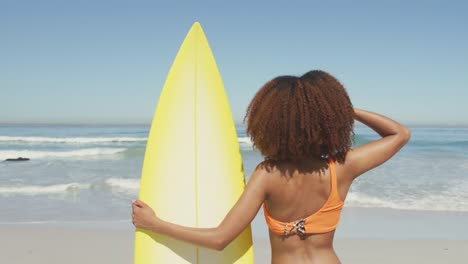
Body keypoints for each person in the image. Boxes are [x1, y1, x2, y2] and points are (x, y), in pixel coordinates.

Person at [132, 70, 411, 264]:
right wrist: (342, 108)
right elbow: (399, 134)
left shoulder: (268, 175)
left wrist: (155, 224)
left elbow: (220, 239)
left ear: (270, 123)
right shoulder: (343, 166)